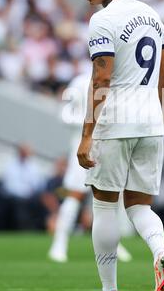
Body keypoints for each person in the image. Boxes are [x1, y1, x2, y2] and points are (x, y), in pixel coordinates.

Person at [77, 0, 164, 291]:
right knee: (139, 205)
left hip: (115, 123)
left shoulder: (103, 20)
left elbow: (101, 79)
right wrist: (162, 116)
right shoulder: (152, 15)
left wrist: (87, 134)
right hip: (150, 123)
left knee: (104, 206)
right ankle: (161, 253)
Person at [48, 71, 133, 263]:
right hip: (84, 145)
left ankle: (113, 244)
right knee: (75, 195)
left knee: (109, 196)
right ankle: (59, 244)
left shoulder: (118, 80)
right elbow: (65, 115)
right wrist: (88, 127)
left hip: (109, 145)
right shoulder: (79, 81)